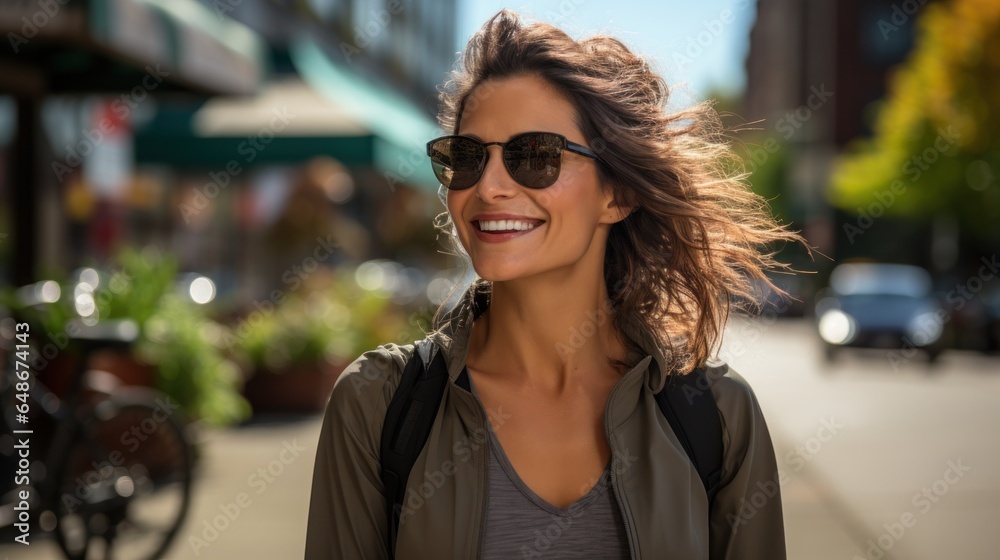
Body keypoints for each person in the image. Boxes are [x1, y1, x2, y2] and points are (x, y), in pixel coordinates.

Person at [306, 8, 811, 560]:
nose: (489, 186)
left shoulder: (716, 416)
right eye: (467, 158)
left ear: (616, 194)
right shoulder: (379, 406)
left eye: (536, 156)